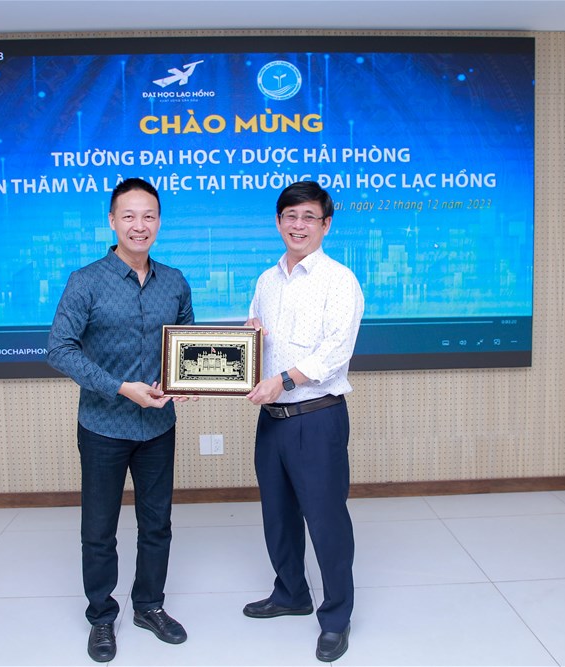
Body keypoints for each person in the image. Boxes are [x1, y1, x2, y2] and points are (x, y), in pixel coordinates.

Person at [48, 177, 193, 663]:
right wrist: (119, 387)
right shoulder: (85, 281)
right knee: (99, 528)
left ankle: (149, 606)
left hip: (158, 428)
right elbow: (59, 349)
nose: (139, 225)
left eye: (148, 216)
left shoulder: (174, 281)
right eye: (129, 216)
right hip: (103, 427)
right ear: (112, 221)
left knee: (157, 524)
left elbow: (187, 344)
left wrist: (184, 380)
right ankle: (101, 616)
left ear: (159, 222)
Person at [243, 181, 364, 662]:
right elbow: (256, 339)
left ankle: (336, 618)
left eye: (309, 217)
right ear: (278, 222)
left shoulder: (340, 281)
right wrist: (249, 342)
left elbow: (335, 353)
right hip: (271, 419)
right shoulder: (266, 281)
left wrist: (284, 380)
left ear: (325, 225)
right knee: (278, 516)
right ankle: (291, 592)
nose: (298, 225)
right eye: (290, 216)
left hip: (316, 418)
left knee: (326, 521)